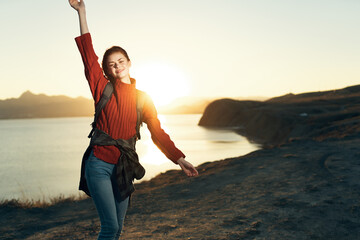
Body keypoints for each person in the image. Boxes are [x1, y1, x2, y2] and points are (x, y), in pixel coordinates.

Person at [68, 0, 198, 239]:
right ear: (106, 71)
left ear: (129, 63)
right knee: (109, 227)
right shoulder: (102, 88)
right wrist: (82, 13)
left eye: (120, 61)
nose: (117, 66)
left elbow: (158, 132)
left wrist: (179, 158)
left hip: (124, 168)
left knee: (117, 228)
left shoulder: (143, 99)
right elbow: (88, 55)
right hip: (98, 165)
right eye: (111, 64)